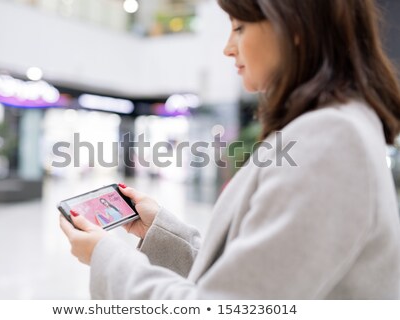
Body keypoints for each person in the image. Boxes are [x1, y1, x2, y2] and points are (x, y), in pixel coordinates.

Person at [60, 0, 400, 299]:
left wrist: (105, 256)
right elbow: (250, 280)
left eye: (239, 27)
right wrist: (160, 232)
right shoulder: (329, 128)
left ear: (296, 26)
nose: (227, 47)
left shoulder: (330, 140)